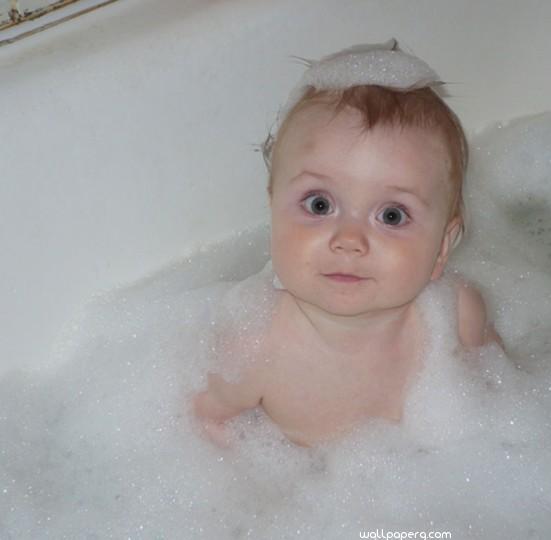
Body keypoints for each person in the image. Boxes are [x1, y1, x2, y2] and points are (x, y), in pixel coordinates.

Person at [193, 39, 502, 447]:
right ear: (272, 212)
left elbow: (501, 393)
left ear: (442, 248)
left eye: (392, 215)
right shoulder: (252, 347)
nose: (349, 240)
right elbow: (208, 423)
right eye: (319, 204)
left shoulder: (455, 317)